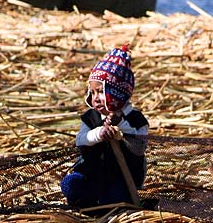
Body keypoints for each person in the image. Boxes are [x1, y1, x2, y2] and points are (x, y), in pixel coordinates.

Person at [61, 44, 149, 210]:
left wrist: (120, 127)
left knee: (114, 200)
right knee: (70, 185)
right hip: (92, 175)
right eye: (92, 93)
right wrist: (99, 133)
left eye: (101, 92)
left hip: (121, 178)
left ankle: (108, 204)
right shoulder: (91, 118)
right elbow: (80, 140)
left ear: (116, 92)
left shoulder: (136, 119)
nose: (96, 99)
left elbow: (140, 147)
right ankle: (87, 203)